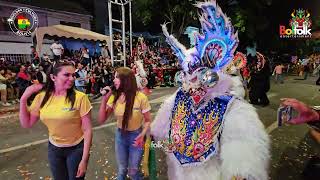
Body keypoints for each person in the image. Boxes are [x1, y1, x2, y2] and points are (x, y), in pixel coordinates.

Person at [151, 1, 270, 180]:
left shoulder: (230, 106)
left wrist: (241, 172)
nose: (191, 82)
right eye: (187, 74)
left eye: (198, 73)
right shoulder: (178, 98)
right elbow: (159, 132)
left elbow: (243, 146)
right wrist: (150, 137)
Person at [19, 61, 93, 180]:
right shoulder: (42, 97)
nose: (72, 78)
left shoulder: (80, 97)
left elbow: (87, 129)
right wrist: (23, 100)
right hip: (54, 149)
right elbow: (27, 123)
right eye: (66, 75)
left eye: (73, 75)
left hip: (76, 148)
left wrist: (84, 160)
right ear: (53, 77)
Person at [98, 67, 151, 180]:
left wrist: (142, 135)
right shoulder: (114, 96)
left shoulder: (141, 98)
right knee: (122, 169)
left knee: (133, 171)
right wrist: (104, 100)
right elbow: (101, 119)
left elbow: (147, 121)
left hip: (136, 136)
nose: (113, 80)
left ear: (126, 80)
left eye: (117, 77)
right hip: (120, 136)